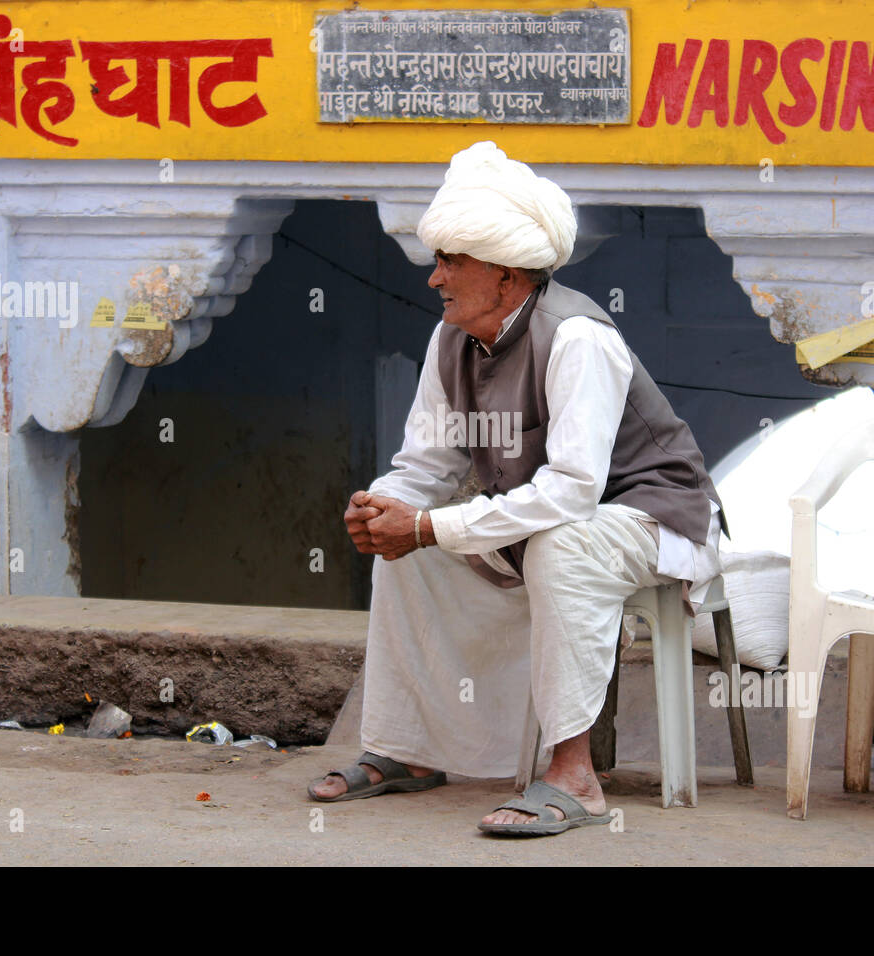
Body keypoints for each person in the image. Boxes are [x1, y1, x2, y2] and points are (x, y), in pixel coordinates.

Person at [307, 141, 725, 836]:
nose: (435, 278)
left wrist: (430, 525)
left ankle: (575, 777)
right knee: (408, 551)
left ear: (506, 275)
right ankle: (406, 751)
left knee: (560, 545)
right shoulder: (453, 340)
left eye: (451, 262)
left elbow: (573, 492)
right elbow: (426, 463)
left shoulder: (577, 338)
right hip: (555, 520)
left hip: (654, 519)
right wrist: (386, 506)